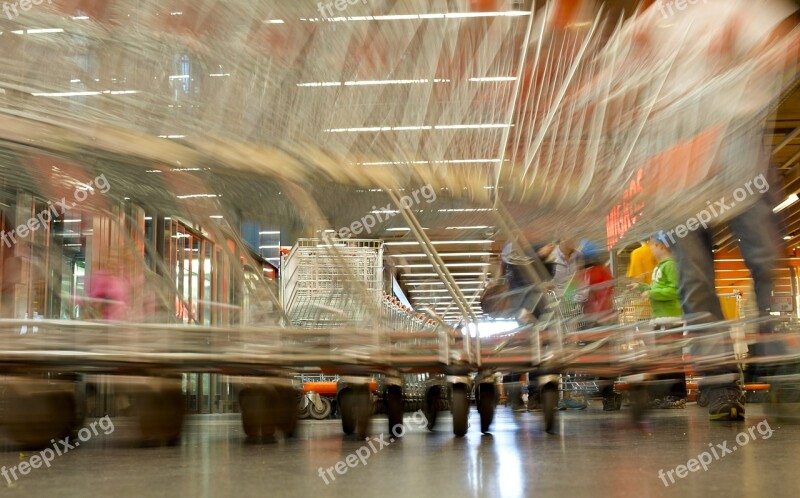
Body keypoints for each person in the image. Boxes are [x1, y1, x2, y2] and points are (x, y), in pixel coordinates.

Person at [638, 233, 687, 409]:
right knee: (661, 358)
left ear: (660, 246)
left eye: (651, 244)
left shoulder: (671, 266)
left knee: (672, 358)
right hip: (660, 319)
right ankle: (662, 395)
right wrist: (643, 287)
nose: (649, 248)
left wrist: (650, 293)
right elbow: (660, 287)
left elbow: (675, 291)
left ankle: (676, 395)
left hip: (671, 319)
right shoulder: (661, 266)